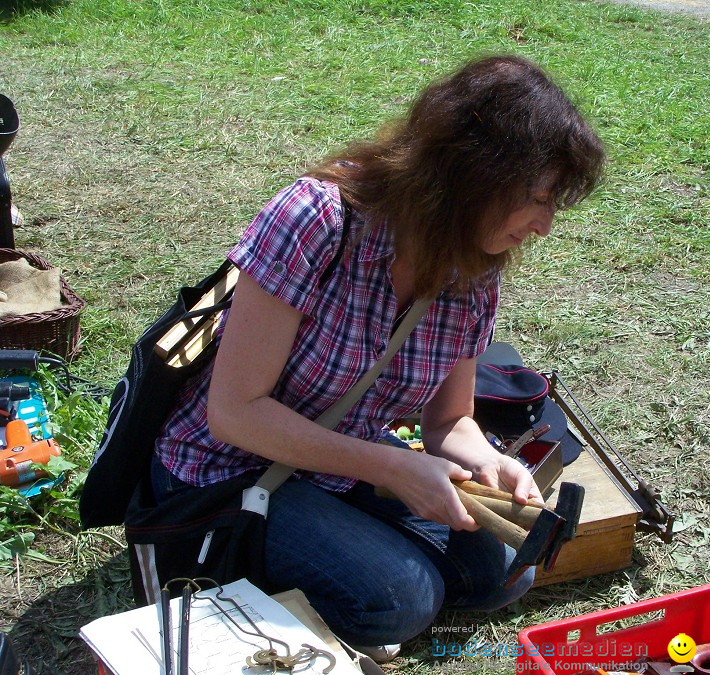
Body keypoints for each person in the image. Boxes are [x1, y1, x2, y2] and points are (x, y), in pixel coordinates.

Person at [150, 54, 606, 659]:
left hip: (340, 460)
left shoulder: (473, 266)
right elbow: (234, 413)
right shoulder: (317, 220)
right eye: (538, 199)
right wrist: (390, 469)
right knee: (399, 599)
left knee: (503, 565)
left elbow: (450, 422)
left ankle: (346, 555)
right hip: (226, 466)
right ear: (477, 174)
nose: (546, 225)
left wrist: (490, 461)